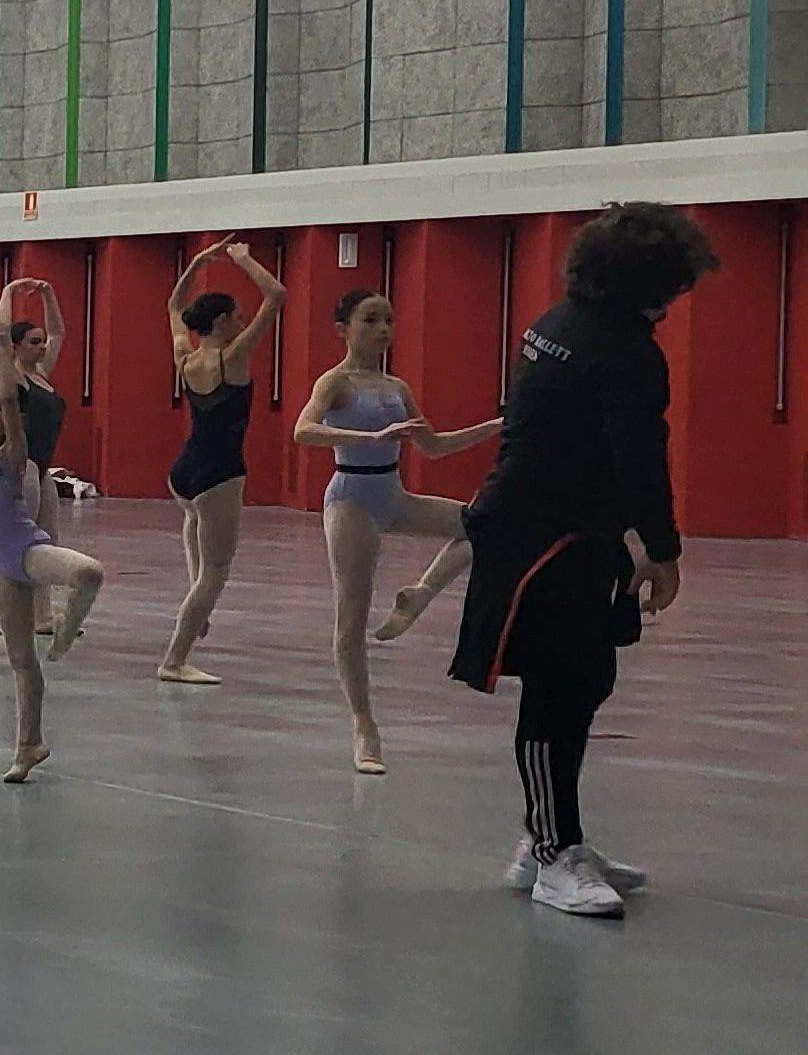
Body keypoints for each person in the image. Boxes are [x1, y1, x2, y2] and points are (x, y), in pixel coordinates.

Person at [452, 203, 713, 917]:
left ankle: (550, 832)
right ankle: (548, 854)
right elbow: (639, 459)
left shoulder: (553, 325)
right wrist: (663, 550)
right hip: (544, 536)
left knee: (584, 680)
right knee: (559, 688)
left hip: (551, 528)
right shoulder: (627, 352)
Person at [294, 289, 498, 775]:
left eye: (388, 319)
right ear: (343, 329)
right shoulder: (336, 382)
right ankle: (365, 726)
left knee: (481, 525)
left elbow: (433, 447)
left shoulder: (397, 387)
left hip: (394, 496)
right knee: (351, 619)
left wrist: (497, 427)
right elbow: (303, 430)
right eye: (371, 320)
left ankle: (420, 593)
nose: (383, 329)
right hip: (351, 502)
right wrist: (369, 439)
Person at [0, 319, 107, 782]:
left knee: (89, 573)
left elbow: (9, 399)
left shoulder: (13, 454)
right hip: (2, 567)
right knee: (21, 661)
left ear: (15, 420)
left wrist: (3, 345)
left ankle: (67, 629)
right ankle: (29, 744)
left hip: (27, 552)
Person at [155, 238, 285, 684]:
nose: (243, 321)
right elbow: (278, 297)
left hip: (183, 472)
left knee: (196, 539)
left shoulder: (185, 356)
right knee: (217, 572)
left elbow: (174, 304)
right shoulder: (235, 356)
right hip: (219, 474)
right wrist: (245, 260)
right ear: (222, 321)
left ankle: (197, 609)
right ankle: (174, 660)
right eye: (237, 315)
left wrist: (195, 263)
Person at [0, 280, 69, 637]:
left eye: (42, 342)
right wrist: (7, 291)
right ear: (16, 347)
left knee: (45, 543)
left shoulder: (42, 375)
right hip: (19, 468)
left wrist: (48, 294)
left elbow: (59, 332)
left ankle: (41, 614)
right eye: (33, 342)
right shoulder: (13, 377)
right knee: (8, 540)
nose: (42, 346)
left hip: (42, 470)